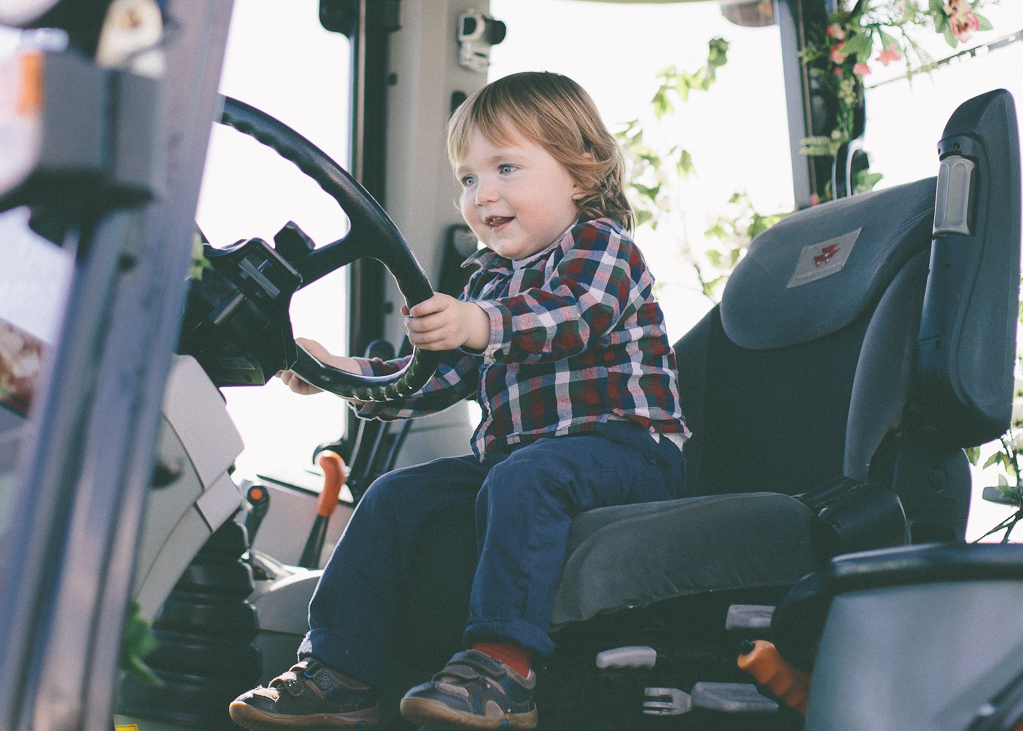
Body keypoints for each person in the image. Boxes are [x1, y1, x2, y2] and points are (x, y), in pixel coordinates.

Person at [228, 71, 687, 731]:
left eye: (506, 167)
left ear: (580, 177)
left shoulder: (603, 248)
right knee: (393, 493)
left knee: (527, 474)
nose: (484, 193)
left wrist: (479, 323)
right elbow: (436, 376)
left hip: (626, 452)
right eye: (469, 178)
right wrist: (337, 369)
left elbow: (572, 318)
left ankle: (503, 669)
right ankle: (340, 672)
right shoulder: (489, 277)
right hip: (518, 461)